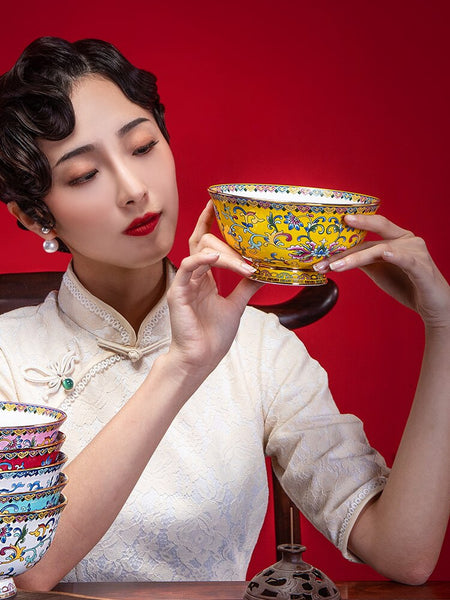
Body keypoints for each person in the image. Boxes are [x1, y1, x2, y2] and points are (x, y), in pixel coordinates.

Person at [0, 36, 448, 591]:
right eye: (84, 175)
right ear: (35, 216)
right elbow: (27, 573)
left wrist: (444, 329)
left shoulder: (258, 348)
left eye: (142, 146)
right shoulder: (9, 357)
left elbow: (404, 553)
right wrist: (183, 366)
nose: (135, 189)